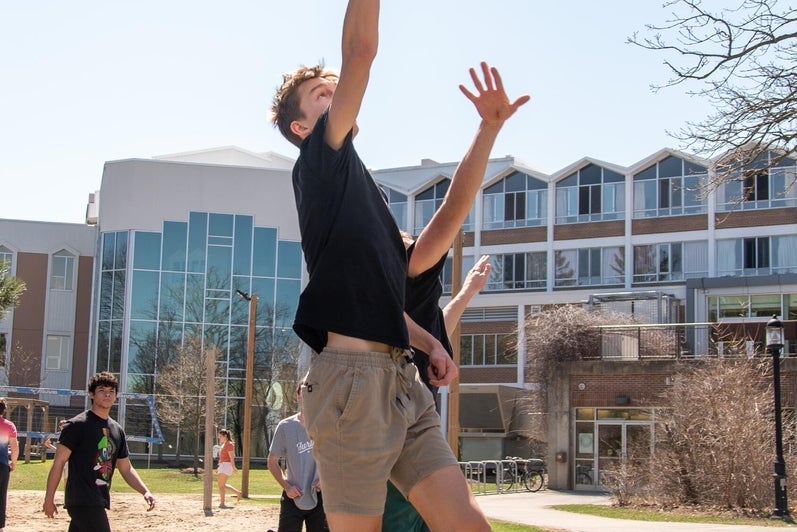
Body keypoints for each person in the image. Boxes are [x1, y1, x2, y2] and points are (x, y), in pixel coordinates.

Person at [270, 2, 526, 530]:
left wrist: (488, 129)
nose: (338, 94)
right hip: (351, 389)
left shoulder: (368, 203)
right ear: (301, 126)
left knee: (469, 525)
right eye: (324, 93)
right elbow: (361, 51)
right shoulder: (319, 167)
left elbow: (444, 225)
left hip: (402, 382)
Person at [42, 371, 156, 531]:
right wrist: (49, 499)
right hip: (81, 499)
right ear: (92, 394)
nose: (107, 395)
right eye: (102, 390)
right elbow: (58, 463)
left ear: (116, 396)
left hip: (99, 497)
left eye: (111, 392)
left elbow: (126, 468)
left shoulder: (117, 430)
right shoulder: (77, 426)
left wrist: (145, 492)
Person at [267, 386, 328, 532]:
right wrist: (287, 487)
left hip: (321, 496)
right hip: (293, 495)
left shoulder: (327, 426)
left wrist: (327, 479)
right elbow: (272, 462)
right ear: (298, 397)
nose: (307, 398)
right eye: (304, 394)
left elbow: (339, 459)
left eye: (311, 394)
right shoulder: (285, 427)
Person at [0, 398, 19, 532]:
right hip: (2, 464)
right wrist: (13, 461)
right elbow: (14, 447)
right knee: (1, 495)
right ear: (4, 410)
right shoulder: (9, 425)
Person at [216, 429, 242, 508]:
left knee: (221, 486)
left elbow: (231, 457)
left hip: (226, 465)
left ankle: (222, 503)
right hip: (222, 465)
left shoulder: (229, 444)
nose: (219, 438)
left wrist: (233, 467)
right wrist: (218, 466)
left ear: (225, 436)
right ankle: (238, 493)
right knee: (221, 485)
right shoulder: (224, 444)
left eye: (220, 436)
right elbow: (221, 457)